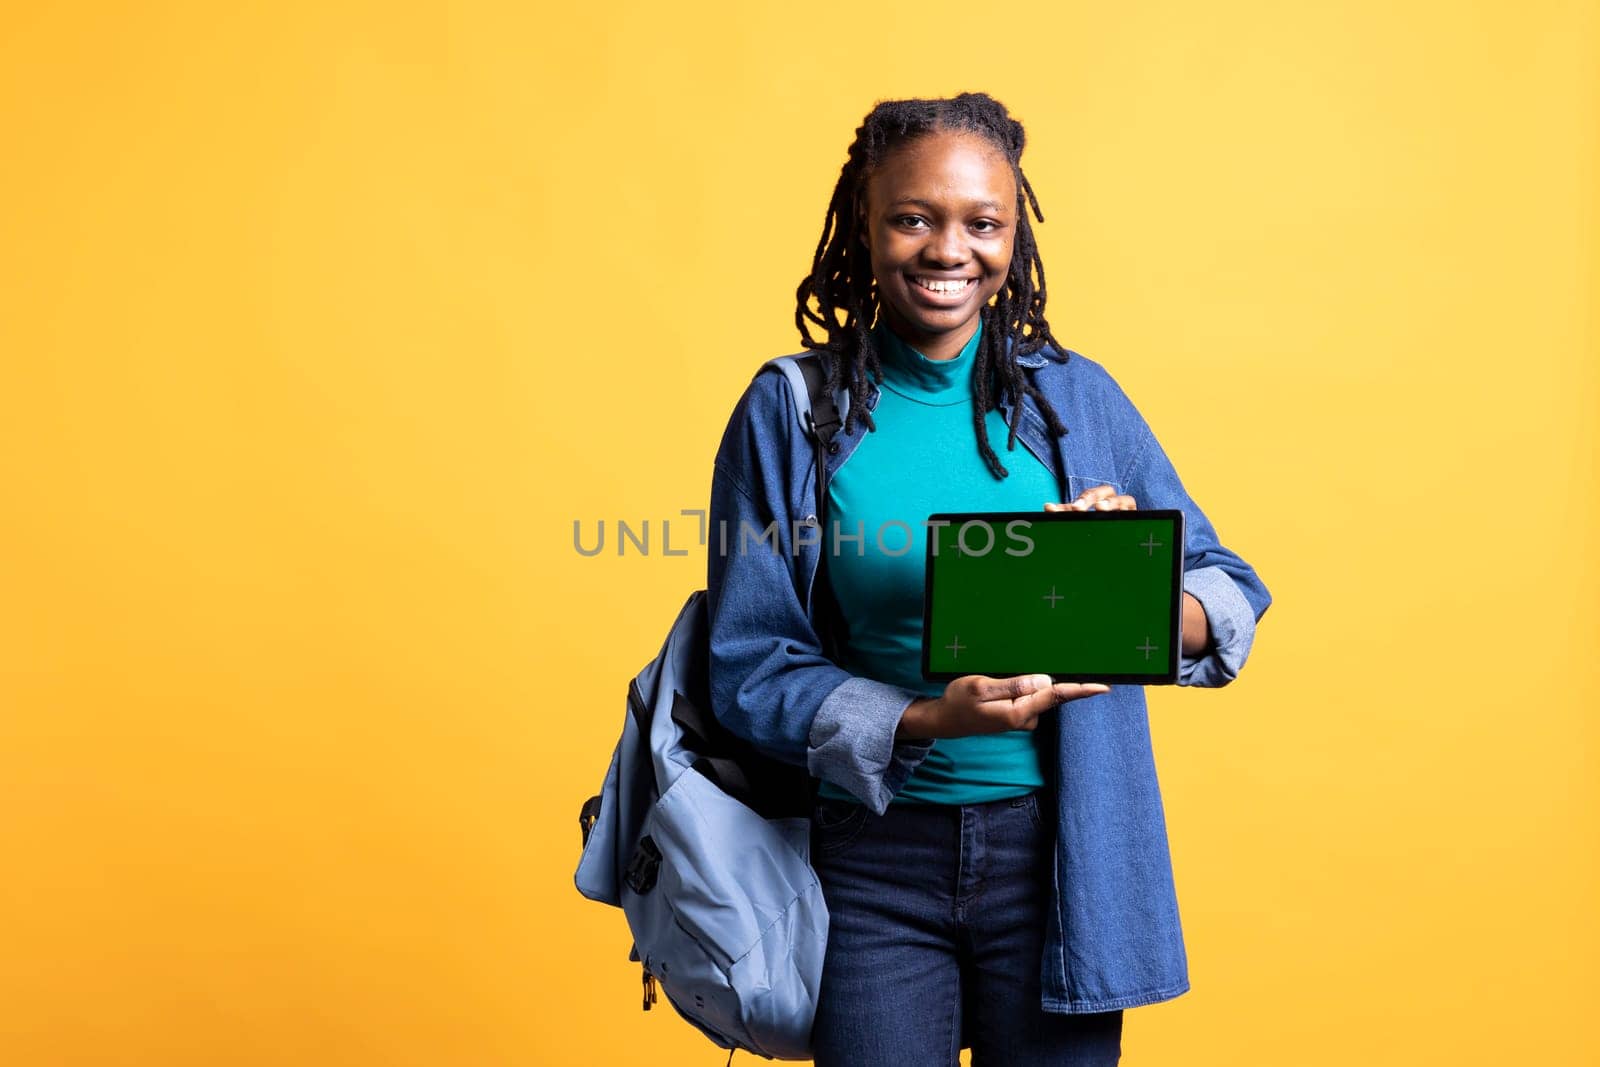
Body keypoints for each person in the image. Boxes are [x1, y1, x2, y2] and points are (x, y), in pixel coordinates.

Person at [704, 92, 1270, 1067]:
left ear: (1013, 236)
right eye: (913, 216)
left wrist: (1111, 578)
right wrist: (925, 719)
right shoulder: (792, 410)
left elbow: (1222, 590)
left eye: (982, 222)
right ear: (863, 227)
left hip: (1061, 858)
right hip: (872, 860)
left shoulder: (1073, 398)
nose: (947, 249)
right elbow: (747, 663)